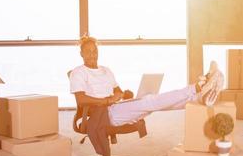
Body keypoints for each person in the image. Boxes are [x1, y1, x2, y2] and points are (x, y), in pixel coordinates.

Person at [69, 36, 224, 126]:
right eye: (88, 51)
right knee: (151, 101)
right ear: (80, 53)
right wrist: (108, 100)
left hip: (116, 108)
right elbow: (81, 100)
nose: (92, 54)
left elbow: (117, 90)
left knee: (156, 103)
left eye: (95, 50)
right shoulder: (78, 73)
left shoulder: (106, 70)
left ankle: (200, 98)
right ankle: (198, 87)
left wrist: (123, 94)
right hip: (101, 114)